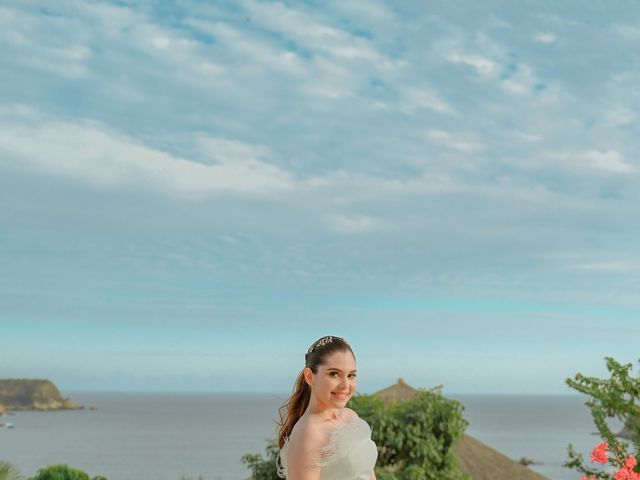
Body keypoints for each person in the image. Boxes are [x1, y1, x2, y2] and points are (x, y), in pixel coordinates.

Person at [276, 335, 378, 480]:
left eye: (351, 375)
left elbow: (367, 473)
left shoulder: (350, 417)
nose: (345, 386)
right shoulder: (309, 434)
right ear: (309, 376)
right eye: (334, 374)